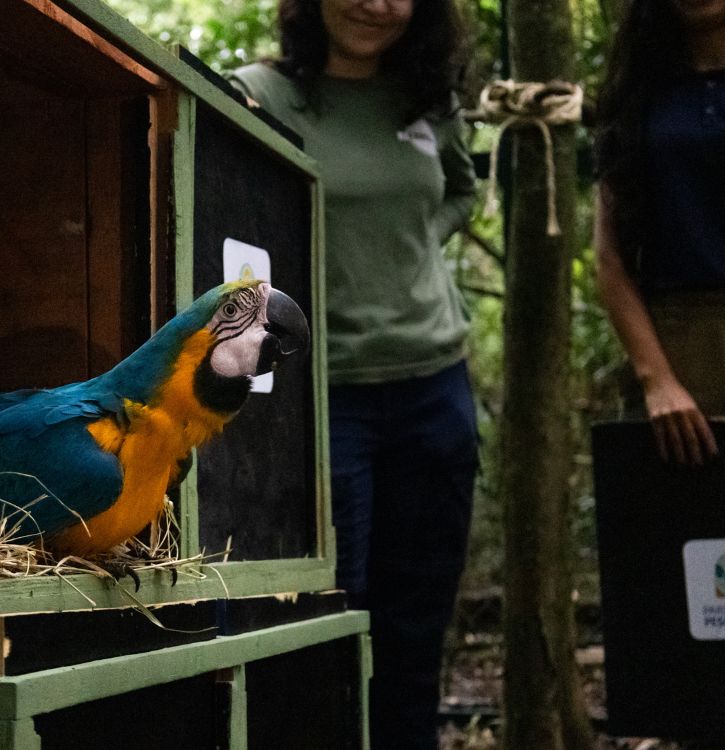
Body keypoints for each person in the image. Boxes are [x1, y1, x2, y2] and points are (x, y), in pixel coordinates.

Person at [229, 1, 479, 746]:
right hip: (321, 396)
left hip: (435, 388)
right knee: (325, 625)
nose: (377, 4)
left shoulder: (428, 101)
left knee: (416, 628)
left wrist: (408, 249)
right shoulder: (260, 95)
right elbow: (232, 212)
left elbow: (461, 188)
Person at [594, 0, 725, 466]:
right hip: (679, 337)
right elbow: (610, 258)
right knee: (689, 527)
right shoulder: (634, 88)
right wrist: (658, 381)